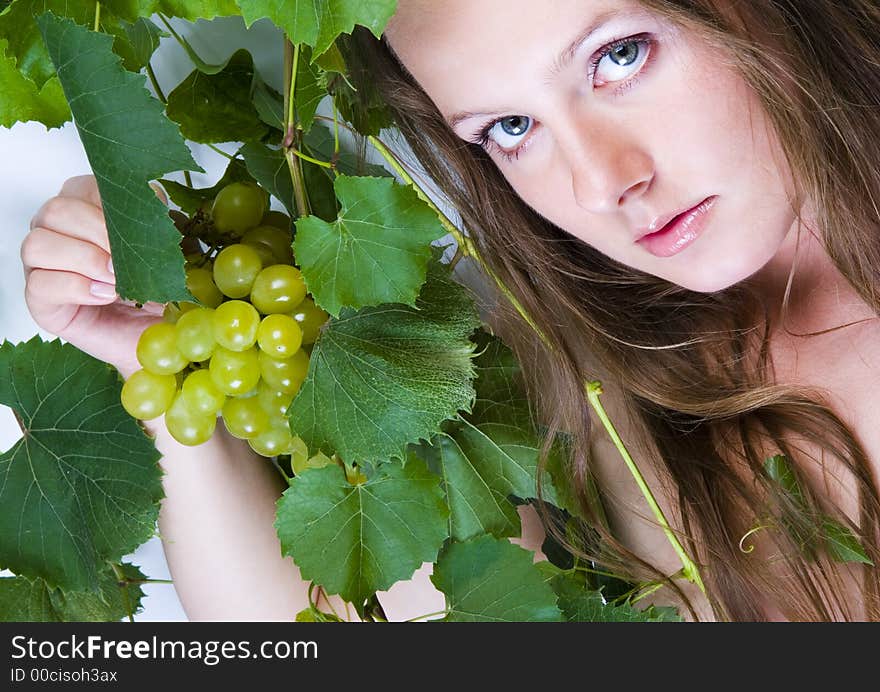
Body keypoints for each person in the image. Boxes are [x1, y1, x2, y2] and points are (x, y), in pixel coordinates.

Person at [19, 0, 880, 621]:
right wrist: (160, 362)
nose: (600, 181)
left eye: (618, 57)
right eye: (509, 127)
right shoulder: (586, 381)